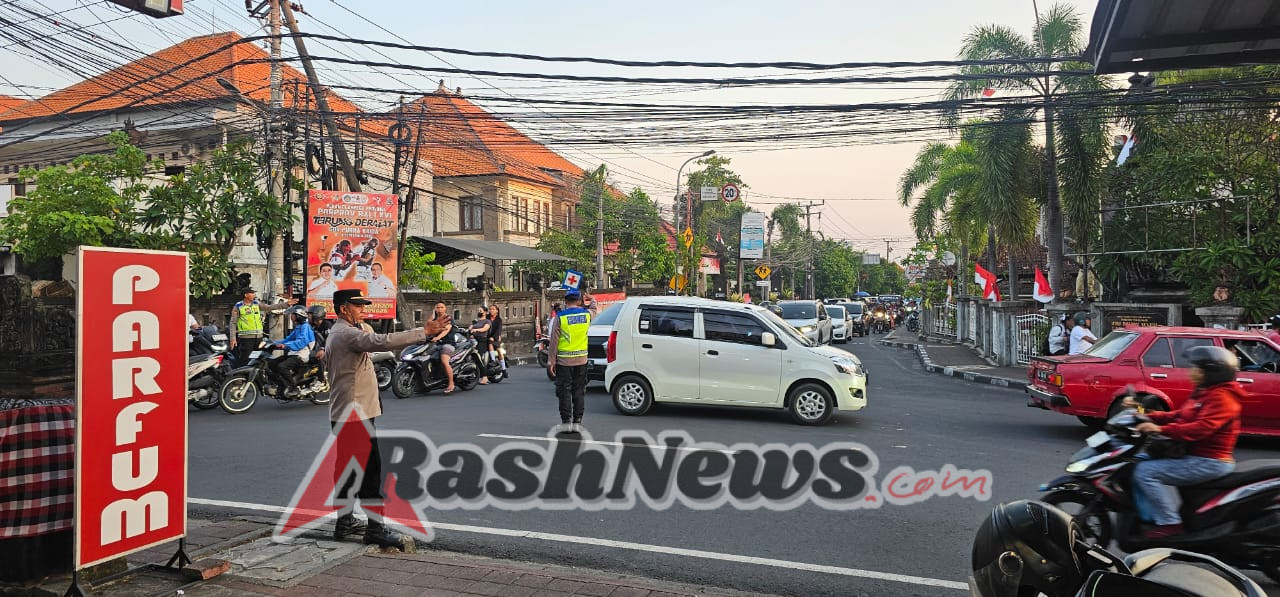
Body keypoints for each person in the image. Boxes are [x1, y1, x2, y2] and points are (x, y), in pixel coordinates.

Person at [325, 289, 450, 547]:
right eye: (357, 305)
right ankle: (375, 529)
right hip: (355, 415)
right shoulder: (347, 334)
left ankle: (345, 522)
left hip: (348, 413)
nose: (362, 309)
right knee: (371, 473)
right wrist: (423, 332)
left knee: (349, 472)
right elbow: (382, 342)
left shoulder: (343, 331)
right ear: (344, 308)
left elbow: (375, 342)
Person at [1124, 346, 1242, 539]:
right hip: (1194, 454)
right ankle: (1148, 515)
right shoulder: (1205, 392)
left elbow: (1201, 428)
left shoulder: (1223, 398)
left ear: (1212, 373)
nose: (1191, 371)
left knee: (1146, 472)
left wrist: (1160, 429)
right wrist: (1147, 415)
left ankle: (1170, 523)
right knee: (1138, 460)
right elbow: (1179, 415)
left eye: (1197, 368)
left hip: (1210, 461)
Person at [547, 290, 598, 434]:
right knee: (579, 391)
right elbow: (594, 309)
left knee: (564, 392)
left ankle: (566, 422)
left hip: (564, 362)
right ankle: (577, 422)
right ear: (580, 301)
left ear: (565, 301)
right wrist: (592, 298)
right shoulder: (586, 315)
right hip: (582, 360)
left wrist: (551, 361)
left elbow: (554, 343)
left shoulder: (560, 318)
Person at [230, 288, 294, 365]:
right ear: (246, 295)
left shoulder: (256, 304)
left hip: (259, 338)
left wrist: (286, 304)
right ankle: (244, 376)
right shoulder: (238, 306)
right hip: (246, 338)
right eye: (252, 293)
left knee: (259, 359)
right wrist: (233, 338)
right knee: (246, 360)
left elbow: (270, 307)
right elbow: (233, 323)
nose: (254, 295)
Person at [273, 306, 316, 395]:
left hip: (301, 355)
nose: (291, 316)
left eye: (293, 314)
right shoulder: (299, 327)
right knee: (272, 363)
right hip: (294, 353)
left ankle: (293, 388)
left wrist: (285, 346)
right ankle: (281, 384)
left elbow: (301, 342)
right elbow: (287, 339)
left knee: (282, 367)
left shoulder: (305, 327)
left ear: (299, 316)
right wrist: (271, 343)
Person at [428, 302, 458, 394]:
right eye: (437, 307)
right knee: (425, 356)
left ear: (445, 309)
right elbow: (429, 327)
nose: (439, 309)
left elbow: (446, 330)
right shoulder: (435, 319)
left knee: (444, 360)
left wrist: (438, 337)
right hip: (438, 345)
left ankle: (451, 383)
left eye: (441, 307)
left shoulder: (448, 318)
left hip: (448, 344)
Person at [469, 309, 492, 384]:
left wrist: (476, 330)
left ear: (485, 312)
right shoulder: (476, 321)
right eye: (478, 310)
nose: (479, 312)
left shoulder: (487, 321)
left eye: (481, 310)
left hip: (482, 340)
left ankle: (485, 377)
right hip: (473, 340)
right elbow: (470, 328)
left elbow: (485, 329)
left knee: (478, 357)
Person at [487, 304, 506, 375]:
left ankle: (503, 369)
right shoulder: (487, 317)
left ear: (497, 311)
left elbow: (499, 330)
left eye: (493, 309)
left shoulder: (499, 320)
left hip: (495, 337)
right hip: (487, 336)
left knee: (498, 350)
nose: (491, 310)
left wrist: (494, 337)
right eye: (490, 309)